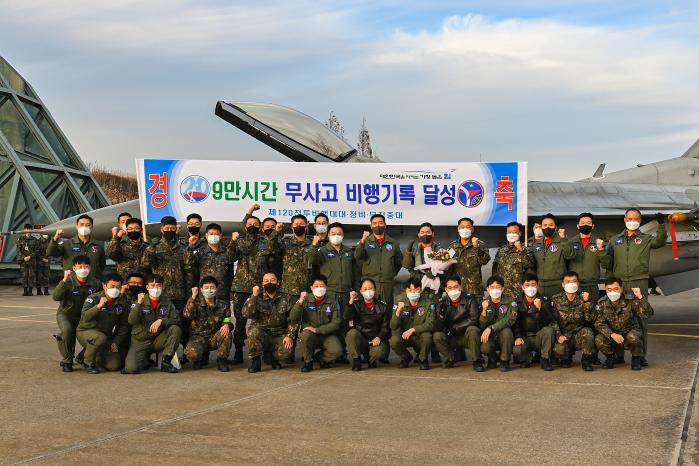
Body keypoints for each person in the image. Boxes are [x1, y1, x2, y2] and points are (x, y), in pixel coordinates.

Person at [600, 208, 667, 366]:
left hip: (639, 282)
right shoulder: (615, 240)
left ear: (640, 220)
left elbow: (660, 242)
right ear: (624, 219)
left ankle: (640, 355)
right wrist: (602, 252)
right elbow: (607, 263)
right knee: (616, 319)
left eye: (635, 218)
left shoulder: (645, 238)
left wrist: (661, 225)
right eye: (629, 218)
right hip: (620, 283)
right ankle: (618, 355)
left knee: (641, 318)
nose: (632, 221)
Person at [230, 204, 281, 364]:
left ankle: (263, 352)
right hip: (240, 287)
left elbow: (276, 250)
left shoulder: (266, 243)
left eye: (255, 224)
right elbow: (231, 257)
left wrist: (276, 232)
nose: (252, 226)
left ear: (260, 228)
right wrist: (249, 212)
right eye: (249, 224)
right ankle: (238, 352)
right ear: (245, 226)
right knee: (239, 322)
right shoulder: (239, 241)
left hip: (260, 289)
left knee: (261, 321)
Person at [309, 222, 359, 363]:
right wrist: (314, 245)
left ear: (343, 235)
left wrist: (355, 289)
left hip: (346, 293)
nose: (336, 236)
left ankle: (342, 353)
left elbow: (355, 273)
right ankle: (325, 351)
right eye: (333, 234)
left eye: (339, 234)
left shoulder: (349, 252)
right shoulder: (322, 251)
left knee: (344, 324)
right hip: (330, 294)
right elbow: (311, 260)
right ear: (328, 235)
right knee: (330, 323)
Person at [142, 216, 189, 355]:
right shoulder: (155, 247)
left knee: (181, 324)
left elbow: (188, 269)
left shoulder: (182, 247)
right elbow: (145, 264)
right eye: (166, 228)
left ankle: (185, 353)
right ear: (161, 229)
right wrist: (151, 246)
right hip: (161, 294)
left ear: (176, 229)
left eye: (172, 228)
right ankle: (160, 353)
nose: (169, 231)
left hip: (179, 293)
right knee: (160, 323)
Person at [123, 274, 182, 374]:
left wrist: (162, 321)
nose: (156, 288)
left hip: (158, 339)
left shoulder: (167, 302)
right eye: (153, 285)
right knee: (131, 369)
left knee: (175, 329)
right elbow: (132, 320)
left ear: (162, 287)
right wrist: (139, 304)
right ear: (147, 287)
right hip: (140, 341)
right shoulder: (138, 300)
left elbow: (177, 319)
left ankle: (166, 362)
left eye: (158, 285)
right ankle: (145, 359)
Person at [52, 255, 100, 372]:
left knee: (98, 335)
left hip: (85, 317)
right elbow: (56, 297)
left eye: (86, 266)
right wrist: (64, 281)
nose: (83, 268)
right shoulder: (68, 281)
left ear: (90, 267)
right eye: (80, 266)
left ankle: (84, 358)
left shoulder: (96, 283)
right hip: (66, 314)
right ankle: (67, 360)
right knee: (67, 332)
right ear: (74, 268)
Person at [242, 272, 298, 373]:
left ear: (278, 283)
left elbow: (293, 319)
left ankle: (272, 358)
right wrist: (254, 296)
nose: (269, 283)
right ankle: (256, 360)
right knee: (253, 332)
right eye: (266, 281)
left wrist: (289, 335)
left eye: (272, 280)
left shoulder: (287, 297)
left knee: (288, 351)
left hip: (279, 334)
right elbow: (246, 314)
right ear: (262, 283)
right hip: (261, 333)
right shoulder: (256, 296)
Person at [594, 277, 653, 370]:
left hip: (629, 332)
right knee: (599, 339)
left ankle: (636, 358)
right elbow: (599, 323)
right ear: (605, 290)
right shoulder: (602, 303)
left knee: (633, 337)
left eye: (616, 289)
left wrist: (640, 297)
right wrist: (612, 334)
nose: (612, 292)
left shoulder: (630, 300)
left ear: (621, 289)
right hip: (614, 336)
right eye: (609, 290)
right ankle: (610, 358)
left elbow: (647, 314)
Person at [76, 273, 130, 373]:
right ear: (104, 286)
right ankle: (88, 363)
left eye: (118, 287)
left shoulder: (122, 302)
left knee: (113, 366)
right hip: (86, 332)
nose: (115, 289)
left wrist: (115, 342)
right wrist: (98, 307)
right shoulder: (94, 298)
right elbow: (85, 318)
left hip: (106, 336)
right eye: (112, 286)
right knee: (99, 338)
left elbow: (123, 326)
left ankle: (89, 355)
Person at [290, 275, 343, 372]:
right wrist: (300, 302)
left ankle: (321, 358)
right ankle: (308, 362)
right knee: (304, 336)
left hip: (327, 333)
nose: (319, 288)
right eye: (316, 286)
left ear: (326, 287)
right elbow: (293, 317)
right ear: (311, 288)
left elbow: (336, 323)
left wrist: (317, 330)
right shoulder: (305, 299)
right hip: (310, 333)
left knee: (337, 350)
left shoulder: (333, 300)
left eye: (322, 286)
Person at [432, 276, 484, 371]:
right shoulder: (441, 302)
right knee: (437, 336)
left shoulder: (470, 299)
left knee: (473, 330)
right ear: (446, 290)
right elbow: (437, 327)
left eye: (455, 287)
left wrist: (454, 328)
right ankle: (450, 358)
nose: (453, 290)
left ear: (461, 287)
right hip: (451, 337)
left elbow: (473, 319)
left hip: (466, 336)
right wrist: (441, 317)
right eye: (450, 288)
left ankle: (477, 361)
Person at [354, 214, 403, 313]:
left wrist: (391, 273)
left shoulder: (393, 243)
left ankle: (386, 328)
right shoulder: (365, 242)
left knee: (387, 310)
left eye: (380, 223)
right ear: (371, 226)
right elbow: (357, 256)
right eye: (374, 223)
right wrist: (362, 242)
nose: (377, 226)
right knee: (369, 311)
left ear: (385, 225)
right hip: (370, 283)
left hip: (386, 283)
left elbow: (399, 262)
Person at [183, 276, 233, 372]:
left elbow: (227, 320)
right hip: (198, 338)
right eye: (206, 288)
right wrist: (193, 297)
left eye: (212, 287)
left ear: (216, 289)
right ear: (201, 289)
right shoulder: (195, 303)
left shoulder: (223, 305)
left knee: (227, 333)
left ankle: (221, 360)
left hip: (214, 337)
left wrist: (227, 325)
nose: (209, 290)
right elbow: (187, 315)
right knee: (191, 355)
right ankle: (201, 357)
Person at [550, 272, 596, 371]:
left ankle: (586, 359)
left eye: (574, 281)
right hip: (564, 335)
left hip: (578, 334)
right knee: (559, 350)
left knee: (588, 332)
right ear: (562, 284)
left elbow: (590, 319)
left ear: (578, 284)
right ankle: (566, 357)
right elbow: (553, 321)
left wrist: (587, 302)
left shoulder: (583, 298)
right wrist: (559, 335)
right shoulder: (556, 299)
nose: (571, 284)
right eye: (567, 282)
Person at [344, 278, 390, 371]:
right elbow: (347, 316)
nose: (368, 291)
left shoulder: (382, 306)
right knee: (351, 334)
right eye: (365, 289)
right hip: (361, 339)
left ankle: (371, 359)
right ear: (360, 291)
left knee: (379, 353)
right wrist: (351, 300)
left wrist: (379, 337)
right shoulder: (356, 304)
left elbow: (385, 328)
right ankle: (357, 360)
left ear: (375, 290)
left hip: (375, 339)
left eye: (371, 288)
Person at [390, 278, 436, 370]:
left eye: (416, 290)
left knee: (427, 336)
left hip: (420, 334)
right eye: (410, 290)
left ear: (421, 290)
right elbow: (393, 326)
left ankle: (423, 359)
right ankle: (406, 358)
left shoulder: (428, 303)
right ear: (406, 291)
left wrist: (413, 330)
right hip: (405, 336)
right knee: (394, 340)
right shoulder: (399, 302)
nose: (413, 293)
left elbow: (431, 323)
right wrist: (398, 311)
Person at [512, 273, 555, 371]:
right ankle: (526, 358)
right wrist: (518, 337)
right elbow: (515, 322)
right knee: (517, 350)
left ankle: (545, 359)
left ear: (537, 285)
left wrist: (541, 309)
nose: (530, 287)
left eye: (533, 284)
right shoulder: (516, 301)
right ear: (522, 287)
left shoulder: (545, 300)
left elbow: (549, 320)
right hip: (525, 337)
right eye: (527, 285)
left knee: (549, 330)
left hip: (539, 336)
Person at [184, 223, 237, 302]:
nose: (213, 236)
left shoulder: (226, 251)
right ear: (206, 235)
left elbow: (230, 271)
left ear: (220, 236)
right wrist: (190, 246)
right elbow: (188, 262)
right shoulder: (200, 252)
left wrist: (231, 290)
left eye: (216, 234)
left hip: (223, 292)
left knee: (223, 313)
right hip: (205, 293)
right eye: (211, 234)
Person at [527, 213, 575, 297]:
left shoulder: (563, 241)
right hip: (540, 285)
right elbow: (532, 265)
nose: (547, 227)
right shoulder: (536, 244)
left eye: (551, 225)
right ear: (541, 227)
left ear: (556, 227)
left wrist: (563, 239)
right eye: (544, 225)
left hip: (557, 285)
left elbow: (570, 255)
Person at [47, 214, 106, 278]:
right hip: (72, 283)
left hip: (93, 284)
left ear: (92, 226)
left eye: (87, 225)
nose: (84, 227)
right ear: (77, 226)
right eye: (81, 224)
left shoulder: (98, 245)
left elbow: (102, 265)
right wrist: (55, 239)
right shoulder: (67, 244)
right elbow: (50, 253)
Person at [479, 275, 517, 372]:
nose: (495, 290)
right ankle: (493, 358)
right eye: (492, 287)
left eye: (498, 287)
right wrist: (484, 311)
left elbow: (510, 320)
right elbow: (482, 325)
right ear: (487, 289)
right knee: (485, 347)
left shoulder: (511, 301)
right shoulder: (484, 302)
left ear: (503, 289)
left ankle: (504, 361)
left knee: (507, 332)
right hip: (490, 336)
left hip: (503, 335)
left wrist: (491, 328)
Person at [448, 217, 490, 298]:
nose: (465, 229)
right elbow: (448, 266)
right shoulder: (452, 246)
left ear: (472, 229)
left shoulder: (480, 244)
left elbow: (484, 261)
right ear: (458, 229)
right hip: (456, 289)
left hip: (474, 289)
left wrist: (476, 247)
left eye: (468, 227)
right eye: (462, 227)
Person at [568, 213, 606, 302]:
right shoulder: (570, 243)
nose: (585, 225)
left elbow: (605, 264)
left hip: (592, 285)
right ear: (578, 226)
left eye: (588, 223)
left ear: (593, 226)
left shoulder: (599, 243)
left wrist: (601, 249)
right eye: (582, 223)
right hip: (574, 285)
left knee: (592, 311)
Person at [492, 222, 535, 299]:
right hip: (503, 293)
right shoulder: (501, 250)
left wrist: (521, 251)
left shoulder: (526, 250)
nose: (511, 234)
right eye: (509, 232)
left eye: (514, 232)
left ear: (520, 233)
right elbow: (495, 270)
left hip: (519, 293)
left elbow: (530, 264)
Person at [402, 222, 444, 296]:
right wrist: (408, 252)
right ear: (419, 235)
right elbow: (406, 265)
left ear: (433, 234)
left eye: (428, 232)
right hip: (417, 287)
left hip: (434, 287)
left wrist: (435, 273)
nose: (425, 234)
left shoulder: (440, 250)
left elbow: (446, 268)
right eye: (422, 232)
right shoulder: (414, 250)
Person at [277, 214, 313, 300]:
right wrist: (276, 232)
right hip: (288, 290)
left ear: (306, 226)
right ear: (292, 227)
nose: (299, 226)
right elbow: (272, 248)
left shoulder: (313, 244)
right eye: (296, 224)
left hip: (307, 290)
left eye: (301, 224)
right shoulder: (285, 242)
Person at [16, 224, 38, 296]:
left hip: (31, 261)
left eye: (29, 229)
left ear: (31, 230)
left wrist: (30, 256)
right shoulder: (20, 239)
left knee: (31, 275)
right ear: (24, 230)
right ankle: (25, 291)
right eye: (26, 229)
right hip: (23, 261)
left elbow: (36, 250)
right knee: (24, 275)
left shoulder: (34, 240)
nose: (28, 231)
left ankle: (30, 290)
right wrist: (23, 257)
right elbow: (18, 250)